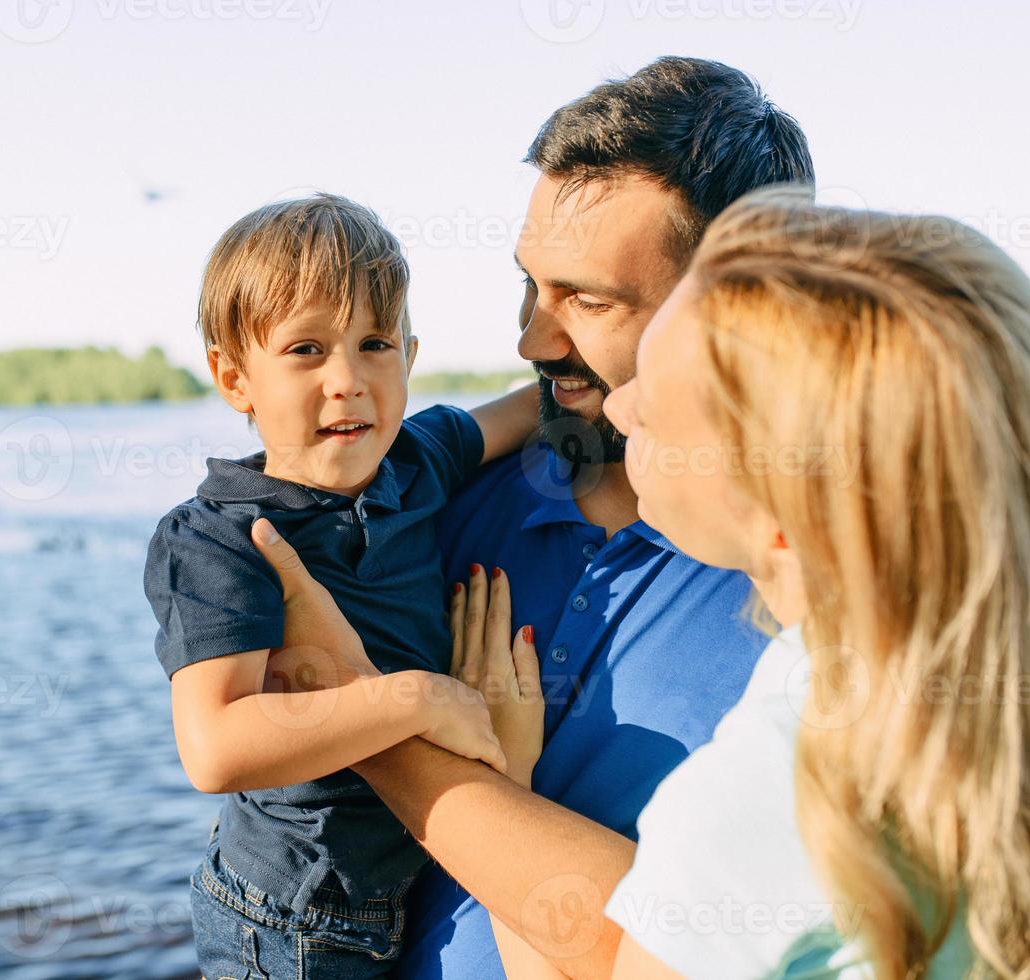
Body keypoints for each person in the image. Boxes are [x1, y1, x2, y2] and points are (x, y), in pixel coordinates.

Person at [246, 56, 817, 978]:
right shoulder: (433, 504)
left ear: (744, 308)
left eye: (588, 300)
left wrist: (367, 709)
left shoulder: (815, 594)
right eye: (530, 286)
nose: (532, 341)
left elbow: (674, 955)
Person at [593, 190, 1030, 977]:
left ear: (782, 514)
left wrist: (490, 780)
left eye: (653, 412)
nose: (618, 408)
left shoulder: (762, 800)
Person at [142, 193, 540, 978]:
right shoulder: (223, 538)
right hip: (288, 913)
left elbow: (539, 405)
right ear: (233, 377)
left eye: (375, 343)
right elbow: (214, 749)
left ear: (412, 357)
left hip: (410, 884)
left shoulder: (417, 460)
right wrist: (418, 700)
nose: (348, 379)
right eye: (305, 351)